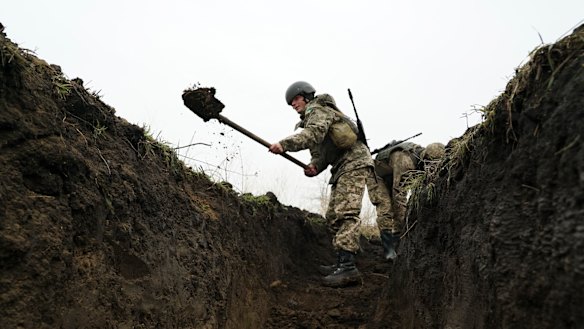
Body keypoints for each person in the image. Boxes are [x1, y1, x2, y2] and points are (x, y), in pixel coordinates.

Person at [269, 81, 394, 287]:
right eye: (290, 102)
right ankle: (340, 263)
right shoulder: (311, 117)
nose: (293, 104)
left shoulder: (318, 109)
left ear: (306, 96)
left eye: (296, 99)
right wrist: (315, 167)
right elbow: (322, 154)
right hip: (340, 167)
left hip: (354, 162)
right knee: (334, 216)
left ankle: (348, 268)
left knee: (346, 212)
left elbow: (313, 134)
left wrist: (284, 145)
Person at [373, 141, 446, 258]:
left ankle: (398, 242)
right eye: (430, 163)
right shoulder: (406, 161)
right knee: (386, 208)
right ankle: (389, 250)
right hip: (377, 175)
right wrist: (405, 226)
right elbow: (399, 196)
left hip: (392, 172)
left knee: (399, 210)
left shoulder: (421, 160)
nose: (431, 167)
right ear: (425, 158)